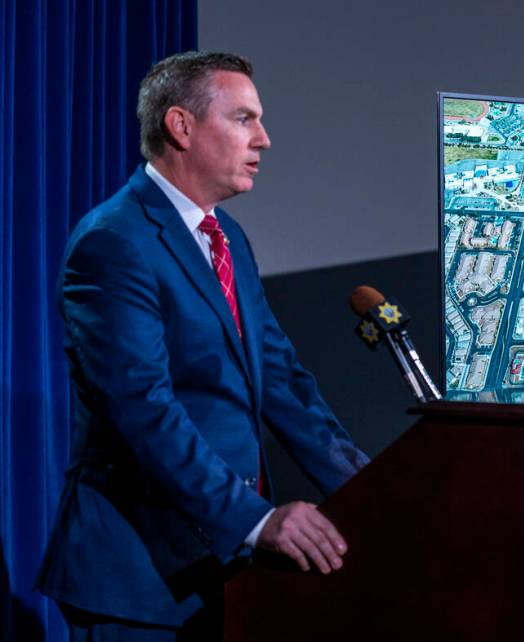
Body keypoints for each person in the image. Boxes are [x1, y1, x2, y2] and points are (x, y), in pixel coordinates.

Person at [36, 51, 369, 640]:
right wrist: (257, 520)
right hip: (137, 579)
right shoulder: (113, 243)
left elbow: (283, 381)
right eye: (244, 118)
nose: (263, 139)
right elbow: (143, 409)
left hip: (221, 569)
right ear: (180, 126)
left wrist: (372, 492)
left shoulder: (226, 237)